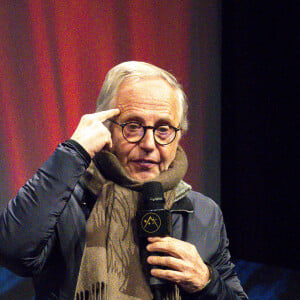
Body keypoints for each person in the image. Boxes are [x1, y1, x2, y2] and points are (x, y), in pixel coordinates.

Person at [0, 61, 247, 299]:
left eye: (163, 129)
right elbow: (12, 250)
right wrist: (73, 152)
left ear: (178, 136)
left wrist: (207, 281)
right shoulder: (65, 200)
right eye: (133, 126)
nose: (149, 144)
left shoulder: (202, 212)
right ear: (106, 127)